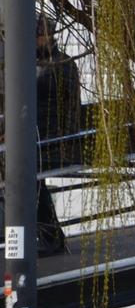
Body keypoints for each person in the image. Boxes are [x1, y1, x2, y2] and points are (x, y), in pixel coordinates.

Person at [33, 19, 83, 257]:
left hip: (49, 139)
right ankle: (49, 236)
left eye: (38, 35)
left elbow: (72, 104)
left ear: (49, 35)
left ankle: (51, 237)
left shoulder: (62, 63)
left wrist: (66, 140)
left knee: (31, 183)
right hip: (34, 137)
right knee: (30, 184)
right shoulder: (31, 62)